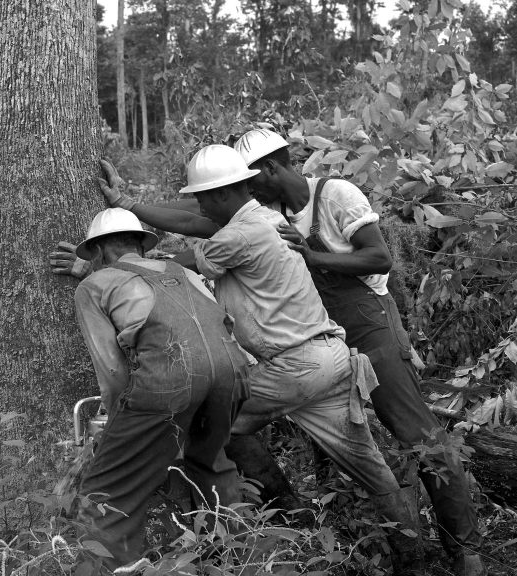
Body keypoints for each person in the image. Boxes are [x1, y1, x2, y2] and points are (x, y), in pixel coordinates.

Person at [90, 145, 424, 574]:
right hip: (330, 358)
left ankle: (279, 512)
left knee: (210, 420)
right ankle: (415, 559)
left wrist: (101, 276)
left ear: (225, 194)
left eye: (204, 197)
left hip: (292, 367)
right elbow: (197, 224)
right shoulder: (267, 220)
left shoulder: (238, 234)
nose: (201, 206)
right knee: (372, 471)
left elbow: (172, 271)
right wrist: (128, 205)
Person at [229, 128, 486, 576]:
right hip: (323, 339)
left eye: (250, 179)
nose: (247, 191)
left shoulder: (335, 194)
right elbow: (203, 216)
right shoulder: (276, 211)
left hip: (370, 329)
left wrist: (316, 259)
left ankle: (463, 545)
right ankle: (369, 537)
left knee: (417, 434)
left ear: (271, 167)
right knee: (341, 441)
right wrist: (131, 209)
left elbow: (378, 258)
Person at [68, 207, 249, 571]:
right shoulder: (182, 271)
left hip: (171, 378)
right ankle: (240, 558)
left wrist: (118, 424)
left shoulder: (93, 286)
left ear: (100, 252)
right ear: (141, 245)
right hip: (234, 371)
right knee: (210, 462)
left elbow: (113, 371)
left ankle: (114, 567)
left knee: (106, 490)